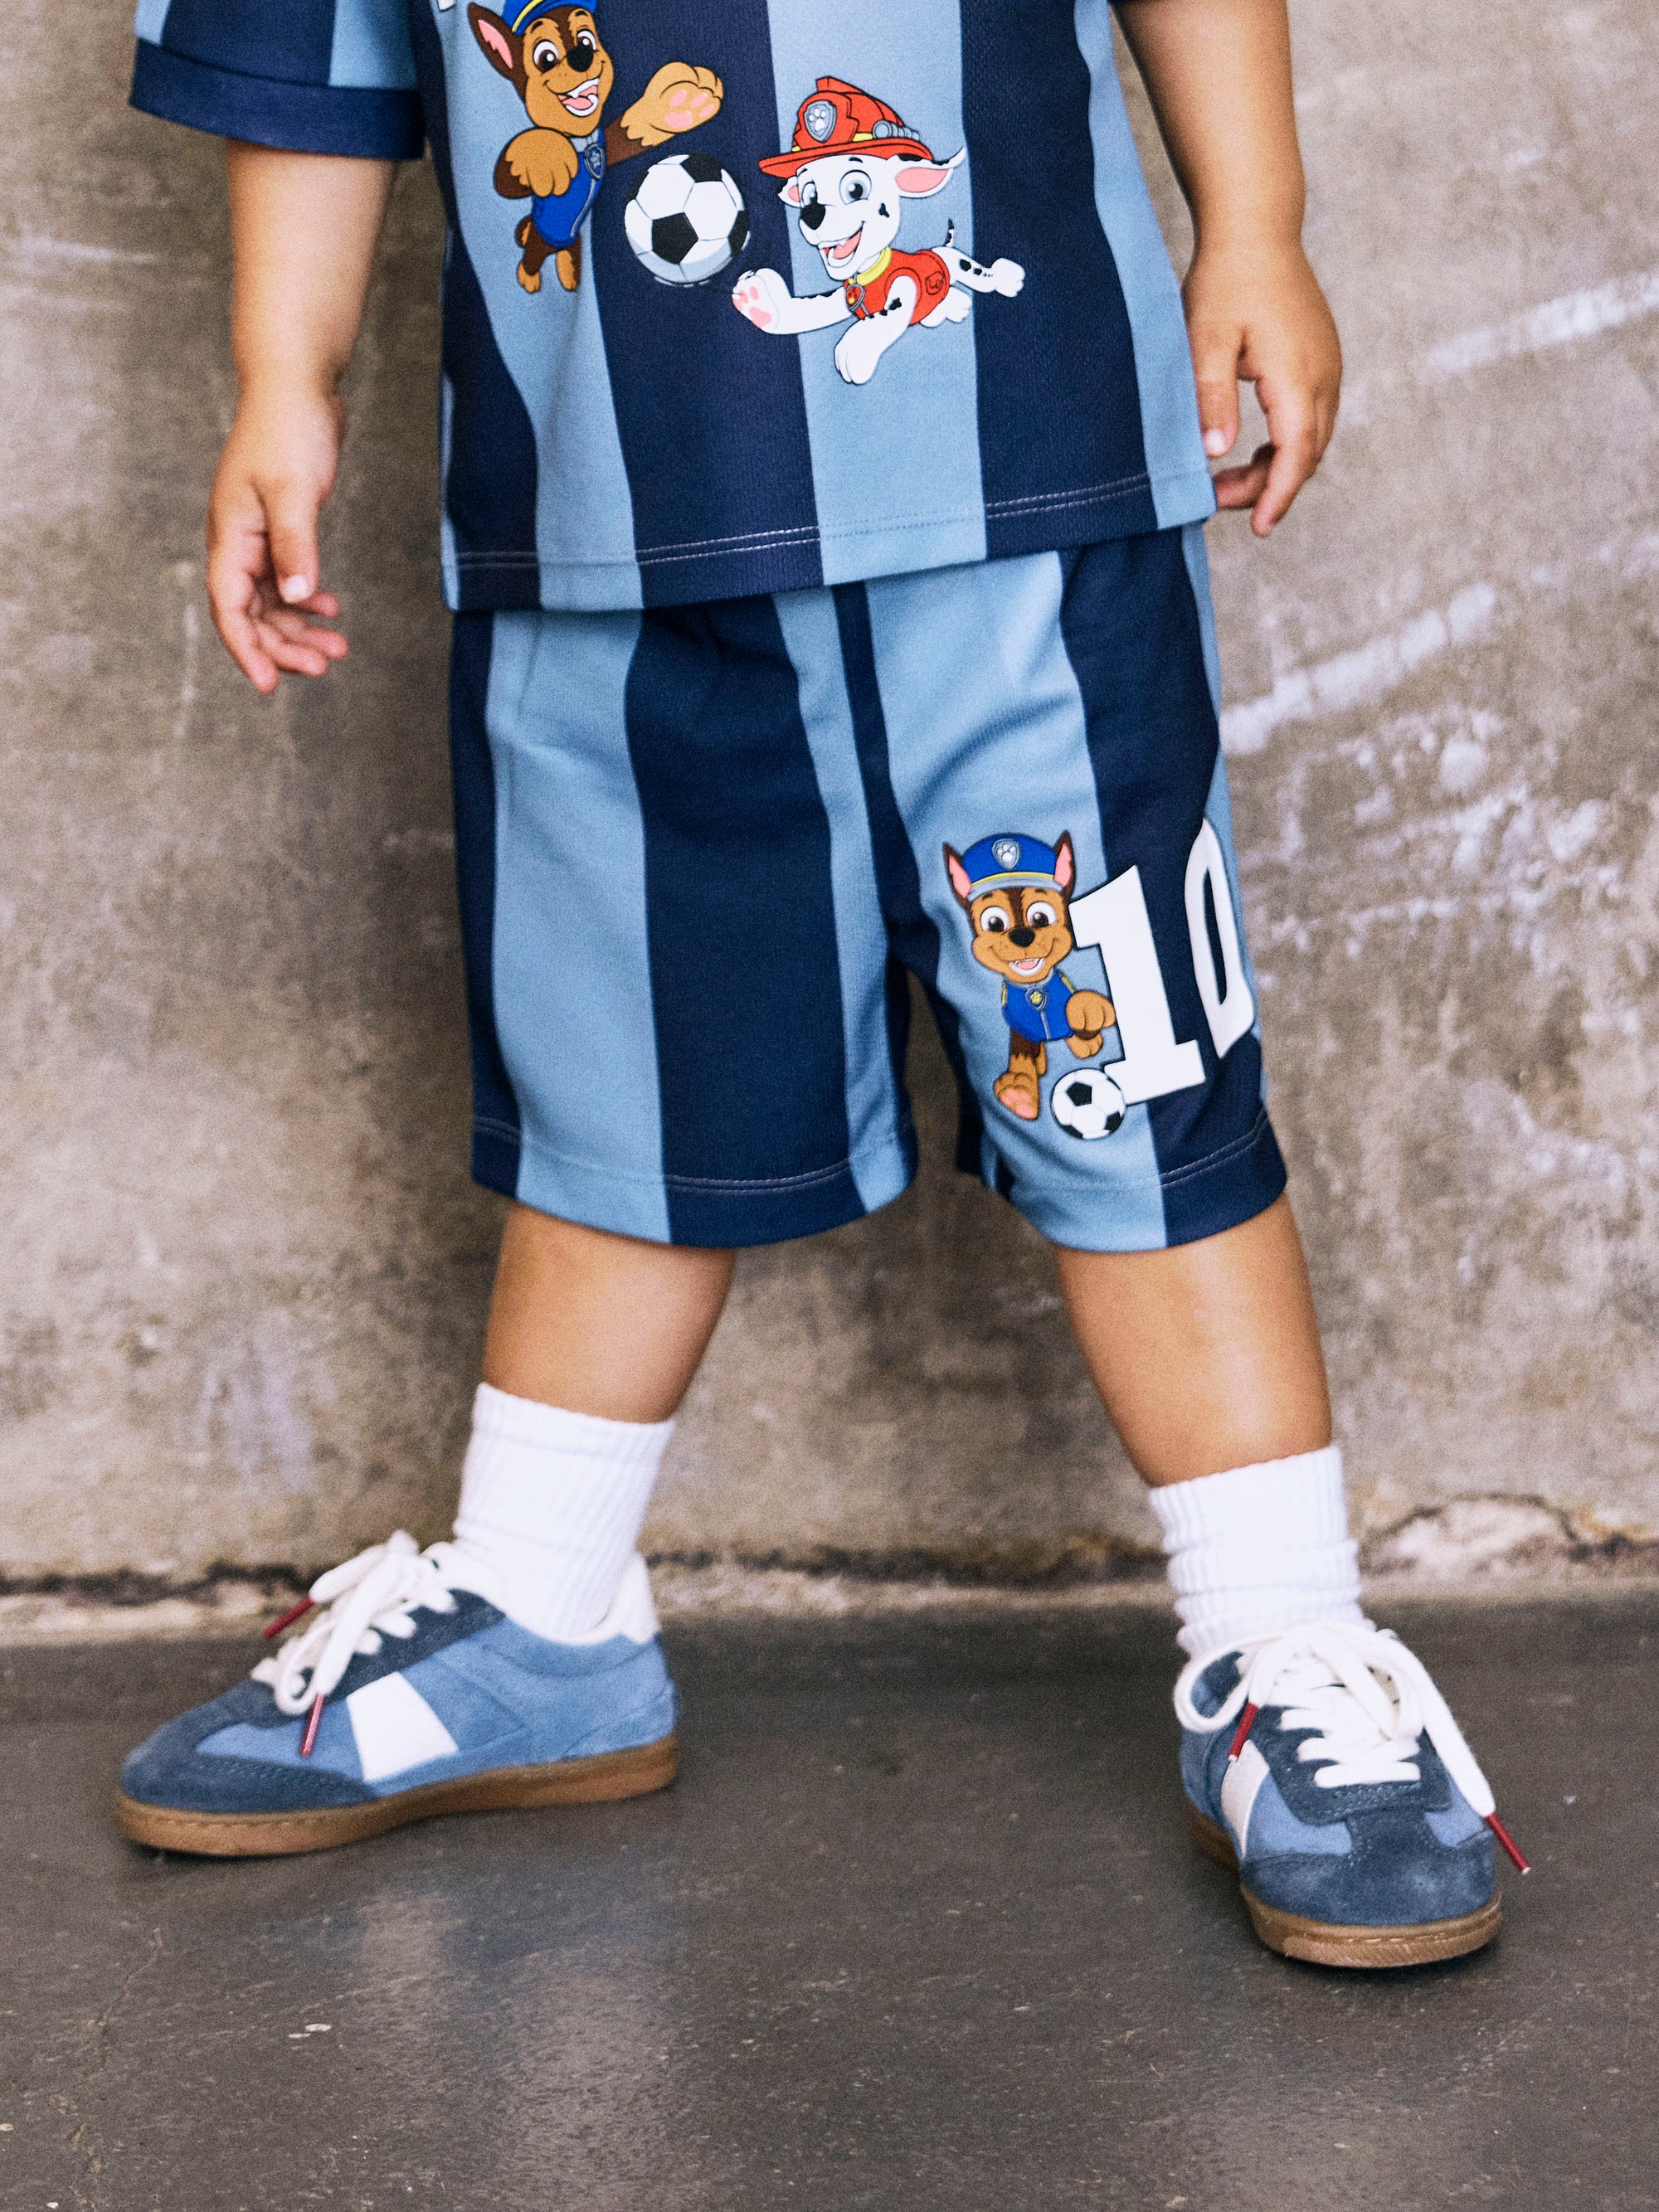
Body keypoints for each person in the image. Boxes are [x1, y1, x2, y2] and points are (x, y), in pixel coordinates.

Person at [115, 0, 1526, 1967]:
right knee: (620, 1079)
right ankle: (541, 1603)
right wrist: (285, 376)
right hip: (601, 530)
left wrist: (1257, 220)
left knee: (1128, 1064)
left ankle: (1284, 1632)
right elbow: (302, 43)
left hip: (1027, 483)